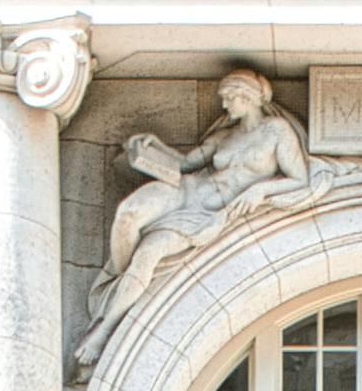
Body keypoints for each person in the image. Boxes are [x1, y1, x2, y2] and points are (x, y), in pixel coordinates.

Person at [81, 67, 311, 361]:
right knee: (127, 213)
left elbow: (300, 178)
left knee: (149, 253)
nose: (225, 105)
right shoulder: (225, 136)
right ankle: (119, 281)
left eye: (230, 98)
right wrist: (152, 146)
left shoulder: (277, 130)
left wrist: (260, 190)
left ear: (249, 97)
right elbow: (185, 164)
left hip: (205, 214)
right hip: (185, 191)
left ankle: (105, 328)